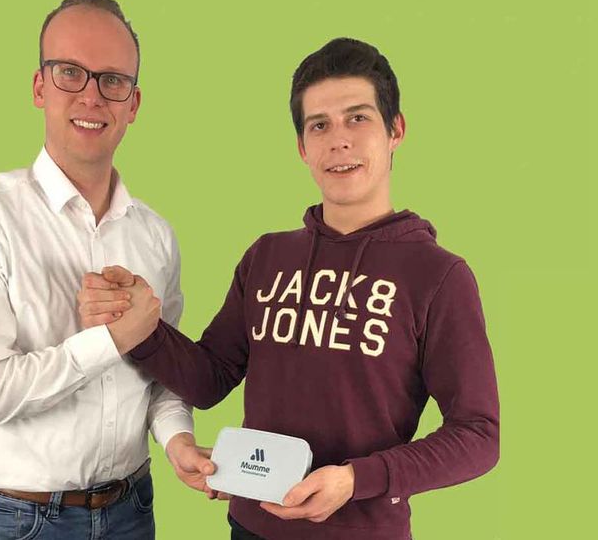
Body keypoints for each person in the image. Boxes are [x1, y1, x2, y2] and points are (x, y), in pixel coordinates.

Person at [81, 38, 500, 539]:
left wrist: (357, 479)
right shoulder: (267, 257)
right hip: (249, 526)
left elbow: (478, 435)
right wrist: (139, 324)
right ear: (302, 147)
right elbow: (210, 378)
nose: (338, 141)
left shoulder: (438, 276)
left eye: (358, 118)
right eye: (319, 125)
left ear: (396, 130)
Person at [0, 0, 214, 539]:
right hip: (19, 521)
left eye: (113, 80)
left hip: (133, 510)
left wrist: (177, 439)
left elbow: (165, 376)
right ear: (40, 86)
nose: (92, 96)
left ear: (133, 103)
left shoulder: (156, 235)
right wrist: (112, 339)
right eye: (70, 73)